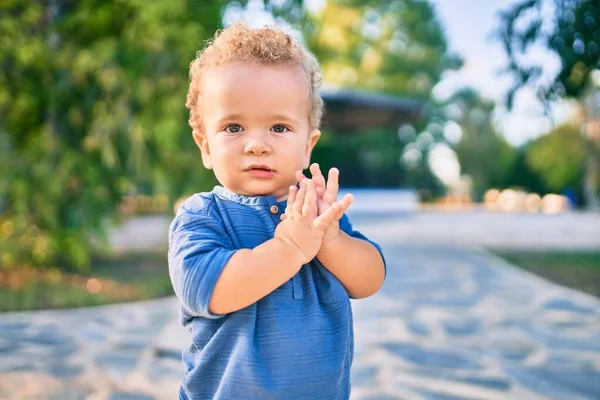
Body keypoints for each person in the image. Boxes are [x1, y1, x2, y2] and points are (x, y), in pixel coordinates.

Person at [168, 22, 386, 400]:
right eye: (233, 127)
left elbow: (370, 279)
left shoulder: (316, 213)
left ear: (308, 145)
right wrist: (290, 248)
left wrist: (330, 241)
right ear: (205, 145)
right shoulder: (202, 216)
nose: (257, 145)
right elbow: (210, 289)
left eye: (279, 128)